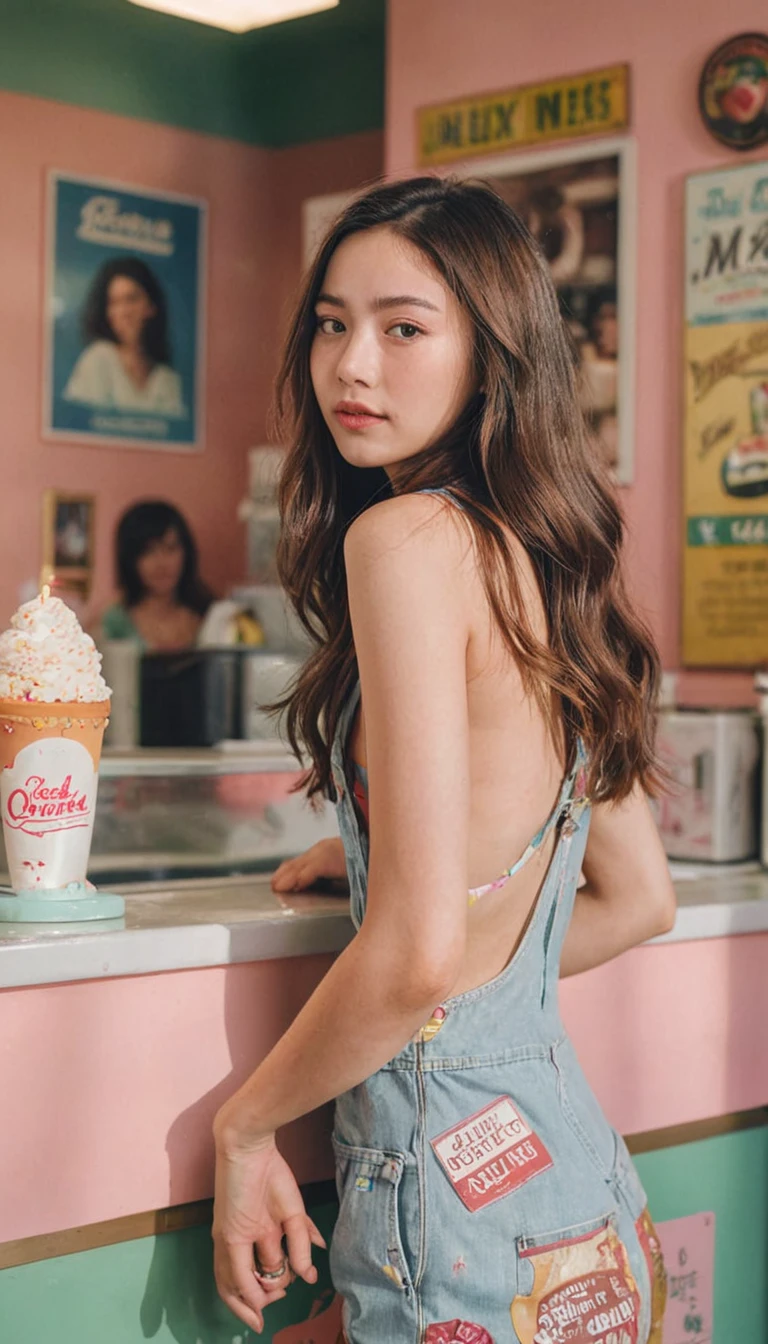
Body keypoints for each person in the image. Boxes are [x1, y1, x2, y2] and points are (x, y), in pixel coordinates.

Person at [211, 177, 674, 1342]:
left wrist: (246, 1128)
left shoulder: (403, 538)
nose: (351, 365)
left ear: (493, 353)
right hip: (578, 1198)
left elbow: (416, 958)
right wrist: (399, 854)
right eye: (331, 323)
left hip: (457, 1225)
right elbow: (637, 899)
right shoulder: (549, 558)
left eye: (404, 328)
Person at [63, 256, 185, 417]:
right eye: (114, 302)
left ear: (151, 307)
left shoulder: (167, 379)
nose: (124, 312)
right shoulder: (99, 359)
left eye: (131, 299)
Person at [101, 500, 213, 651]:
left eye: (170, 549)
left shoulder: (210, 615)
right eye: (148, 551)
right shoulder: (113, 623)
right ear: (130, 559)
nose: (162, 563)